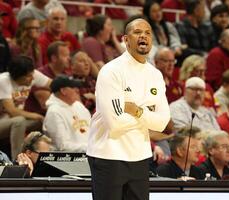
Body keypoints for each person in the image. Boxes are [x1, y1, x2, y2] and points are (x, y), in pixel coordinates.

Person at [87, 18, 170, 200]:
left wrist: (136, 110)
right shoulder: (111, 71)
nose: (143, 36)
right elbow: (115, 124)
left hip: (140, 155)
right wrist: (148, 117)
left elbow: (163, 122)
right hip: (109, 154)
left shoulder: (155, 75)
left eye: (148, 33)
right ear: (125, 39)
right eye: (137, 32)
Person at [0, 56, 51, 159]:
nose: (33, 79)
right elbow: (12, 111)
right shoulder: (3, 81)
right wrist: (36, 115)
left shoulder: (32, 74)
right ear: (16, 77)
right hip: (3, 121)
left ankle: (46, 156)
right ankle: (18, 160)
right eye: (28, 76)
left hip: (14, 122)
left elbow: (54, 84)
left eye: (32, 74)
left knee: (43, 122)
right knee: (19, 121)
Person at [43, 75, 91, 152]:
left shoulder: (78, 105)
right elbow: (62, 146)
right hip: (70, 160)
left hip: (91, 153)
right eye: (73, 87)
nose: (77, 90)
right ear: (63, 91)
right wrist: (90, 148)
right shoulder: (54, 112)